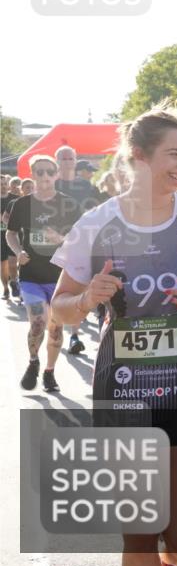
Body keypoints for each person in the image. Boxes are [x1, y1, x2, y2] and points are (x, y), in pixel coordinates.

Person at [50, 102, 177, 566]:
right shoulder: (95, 225)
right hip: (124, 391)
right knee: (138, 531)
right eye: (175, 154)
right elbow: (60, 307)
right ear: (139, 155)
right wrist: (89, 296)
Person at [7, 155, 83, 390]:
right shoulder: (22, 204)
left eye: (49, 172)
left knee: (56, 327)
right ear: (32, 174)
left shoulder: (68, 203)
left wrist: (60, 239)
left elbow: (80, 237)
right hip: (31, 275)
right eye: (39, 172)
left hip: (59, 277)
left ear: (57, 174)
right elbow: (10, 233)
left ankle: (49, 372)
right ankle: (33, 361)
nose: (45, 177)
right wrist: (18, 251)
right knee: (38, 322)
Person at [54, 146, 101, 353]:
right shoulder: (50, 184)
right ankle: (56, 330)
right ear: (57, 162)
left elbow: (98, 209)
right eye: (63, 158)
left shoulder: (86, 185)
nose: (67, 161)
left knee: (77, 288)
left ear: (75, 160)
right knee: (57, 292)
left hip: (80, 240)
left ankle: (74, 336)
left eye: (70, 158)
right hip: (53, 242)